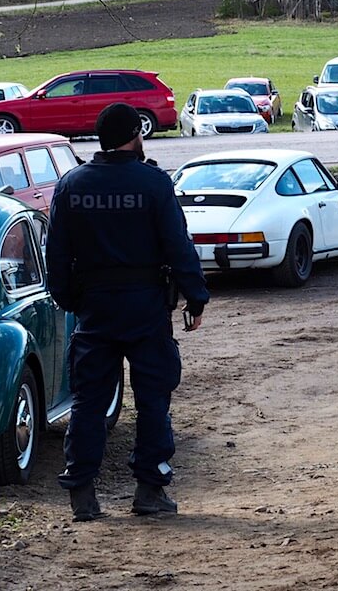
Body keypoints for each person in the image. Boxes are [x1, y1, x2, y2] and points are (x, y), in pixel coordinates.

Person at [46, 102, 209, 523]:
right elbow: (178, 243)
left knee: (88, 401)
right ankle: (149, 489)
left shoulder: (71, 185)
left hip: (94, 308)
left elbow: (57, 254)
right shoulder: (153, 182)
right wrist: (195, 296)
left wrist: (70, 300)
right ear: (135, 135)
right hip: (146, 307)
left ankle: (81, 492)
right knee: (153, 400)